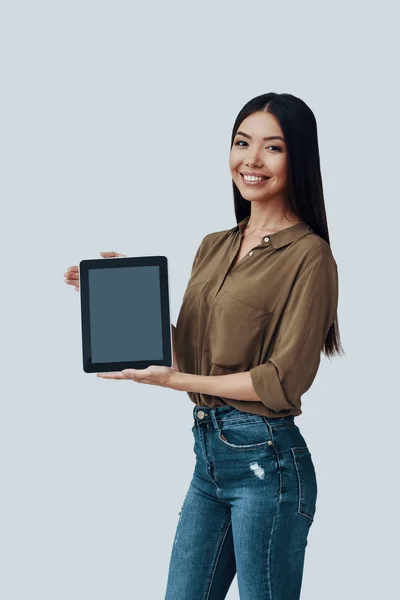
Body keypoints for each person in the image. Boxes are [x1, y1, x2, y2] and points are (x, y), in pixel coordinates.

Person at [64, 92, 344, 600]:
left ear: (298, 157)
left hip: (267, 461)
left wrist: (176, 382)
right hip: (208, 455)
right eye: (242, 143)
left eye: (273, 147)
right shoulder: (215, 245)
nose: (251, 160)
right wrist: (125, 296)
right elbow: (189, 353)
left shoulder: (310, 256)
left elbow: (280, 381)